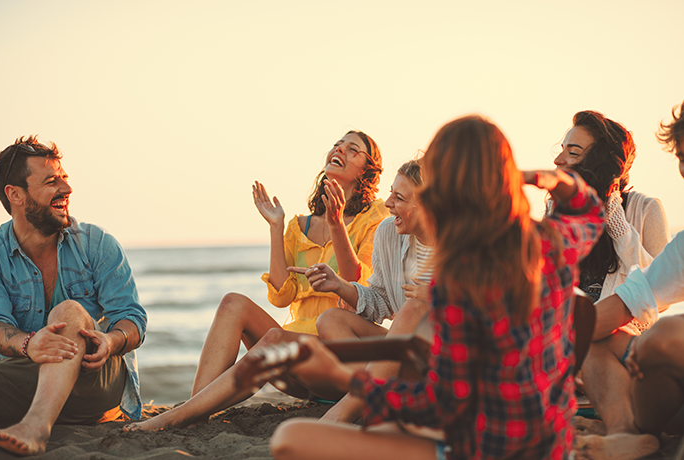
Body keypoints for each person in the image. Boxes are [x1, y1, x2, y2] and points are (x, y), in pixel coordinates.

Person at [268, 115, 605, 460]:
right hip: (550, 445)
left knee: (291, 437)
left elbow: (441, 402)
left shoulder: (457, 280)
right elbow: (590, 208)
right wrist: (538, 177)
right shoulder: (551, 242)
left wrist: (344, 378)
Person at [124, 130, 388, 431]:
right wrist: (276, 227)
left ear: (367, 170)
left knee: (274, 341)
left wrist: (337, 222)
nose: (339, 149)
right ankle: (195, 407)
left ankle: (179, 415)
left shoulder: (375, 218)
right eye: (337, 144)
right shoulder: (298, 226)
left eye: (352, 149)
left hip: (336, 364)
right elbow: (280, 296)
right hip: (298, 367)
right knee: (233, 303)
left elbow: (356, 280)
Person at [0, 136, 147, 456]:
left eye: (64, 178)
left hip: (93, 380)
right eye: (52, 181)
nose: (66, 189)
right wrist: (29, 343)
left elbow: (131, 319)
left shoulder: (97, 244)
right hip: (24, 379)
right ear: (15, 194)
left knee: (69, 313)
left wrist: (110, 341)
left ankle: (36, 426)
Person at [573, 100, 684, 460]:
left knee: (661, 339)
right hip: (649, 379)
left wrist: (617, 223)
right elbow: (628, 301)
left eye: (571, 152)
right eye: (681, 158)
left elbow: (651, 309)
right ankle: (627, 433)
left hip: (658, 345)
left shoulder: (643, 209)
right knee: (594, 332)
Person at [299, 158, 435, 423]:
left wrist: (441, 298)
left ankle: (355, 405)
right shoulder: (389, 232)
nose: (388, 204)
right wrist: (340, 285)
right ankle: (397, 391)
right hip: (404, 356)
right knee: (331, 320)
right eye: (390, 193)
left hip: (450, 358)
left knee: (413, 307)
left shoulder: (465, 245)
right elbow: (381, 300)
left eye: (399, 197)